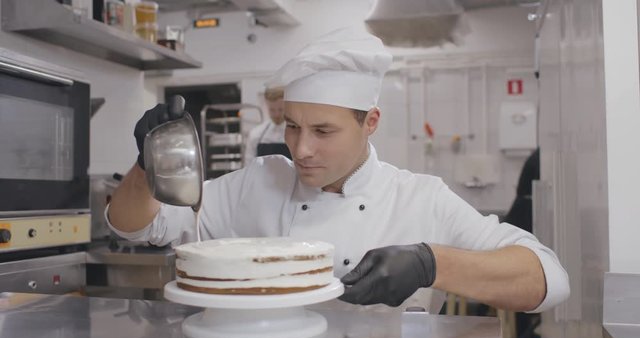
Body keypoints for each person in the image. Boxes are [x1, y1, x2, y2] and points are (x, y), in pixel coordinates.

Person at [107, 27, 569, 312]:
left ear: (370, 122)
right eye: (291, 126)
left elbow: (549, 279)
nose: (302, 149)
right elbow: (137, 228)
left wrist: (432, 264)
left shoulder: (421, 200)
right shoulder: (259, 181)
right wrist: (149, 164)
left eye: (323, 131)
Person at [243, 87, 290, 164]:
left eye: (280, 109)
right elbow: (248, 166)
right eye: (272, 110)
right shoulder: (256, 134)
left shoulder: (295, 133)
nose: (276, 114)